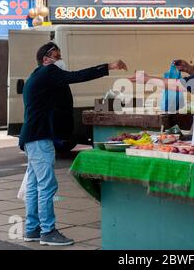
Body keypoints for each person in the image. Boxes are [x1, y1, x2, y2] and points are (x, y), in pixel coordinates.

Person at [19, 42, 127, 246]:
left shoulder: (36, 75)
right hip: (39, 138)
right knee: (46, 185)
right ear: (46, 59)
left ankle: (32, 229)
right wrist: (108, 67)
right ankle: (47, 231)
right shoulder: (48, 72)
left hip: (32, 136)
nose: (60, 60)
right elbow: (77, 76)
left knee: (34, 185)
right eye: (56, 56)